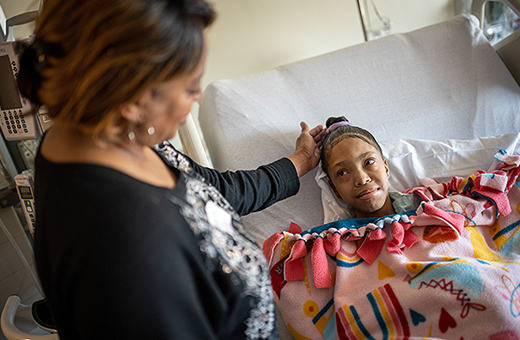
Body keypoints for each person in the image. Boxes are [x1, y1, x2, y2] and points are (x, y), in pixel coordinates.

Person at [17, 0, 326, 339]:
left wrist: (298, 164)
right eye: (191, 85)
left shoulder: (112, 134)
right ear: (133, 98)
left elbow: (210, 195)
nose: (196, 97)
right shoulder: (126, 245)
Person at [319, 116, 420, 220]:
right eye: (342, 173)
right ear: (334, 189)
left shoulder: (426, 206)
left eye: (369, 162)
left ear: (386, 168)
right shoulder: (340, 235)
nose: (362, 180)